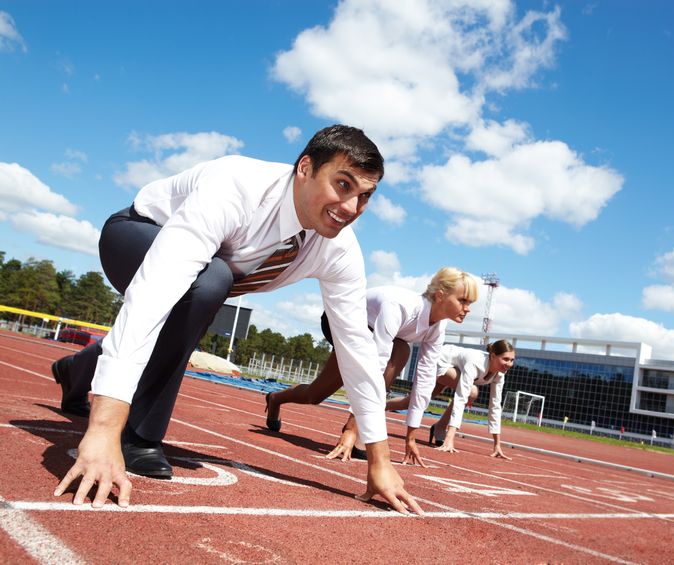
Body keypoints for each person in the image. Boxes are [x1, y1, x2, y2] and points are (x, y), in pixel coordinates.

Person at [51, 124, 422, 515]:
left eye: (365, 197)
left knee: (207, 287)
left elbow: (357, 350)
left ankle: (77, 370)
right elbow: (154, 293)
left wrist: (379, 460)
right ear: (305, 168)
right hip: (137, 233)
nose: (351, 208)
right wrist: (105, 428)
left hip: (200, 280)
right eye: (342, 185)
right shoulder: (236, 185)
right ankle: (139, 435)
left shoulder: (339, 249)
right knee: (209, 283)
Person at [264, 268, 478, 466]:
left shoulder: (438, 327)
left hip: (375, 334)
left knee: (318, 392)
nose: (467, 308)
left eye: (470, 303)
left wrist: (411, 436)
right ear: (440, 296)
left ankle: (279, 399)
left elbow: (425, 379)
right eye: (463, 300)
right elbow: (377, 361)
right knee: (318, 393)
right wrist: (349, 428)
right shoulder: (400, 306)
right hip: (342, 320)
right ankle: (343, 426)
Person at [385, 340, 515, 458]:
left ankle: (438, 426)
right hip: (440, 360)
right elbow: (461, 397)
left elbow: (495, 406)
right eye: (506, 359)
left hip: (454, 368)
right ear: (493, 356)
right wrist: (450, 437)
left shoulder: (500, 374)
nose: (509, 364)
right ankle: (441, 429)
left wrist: (497, 444)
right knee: (470, 392)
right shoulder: (475, 362)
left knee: (409, 402)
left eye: (512, 360)